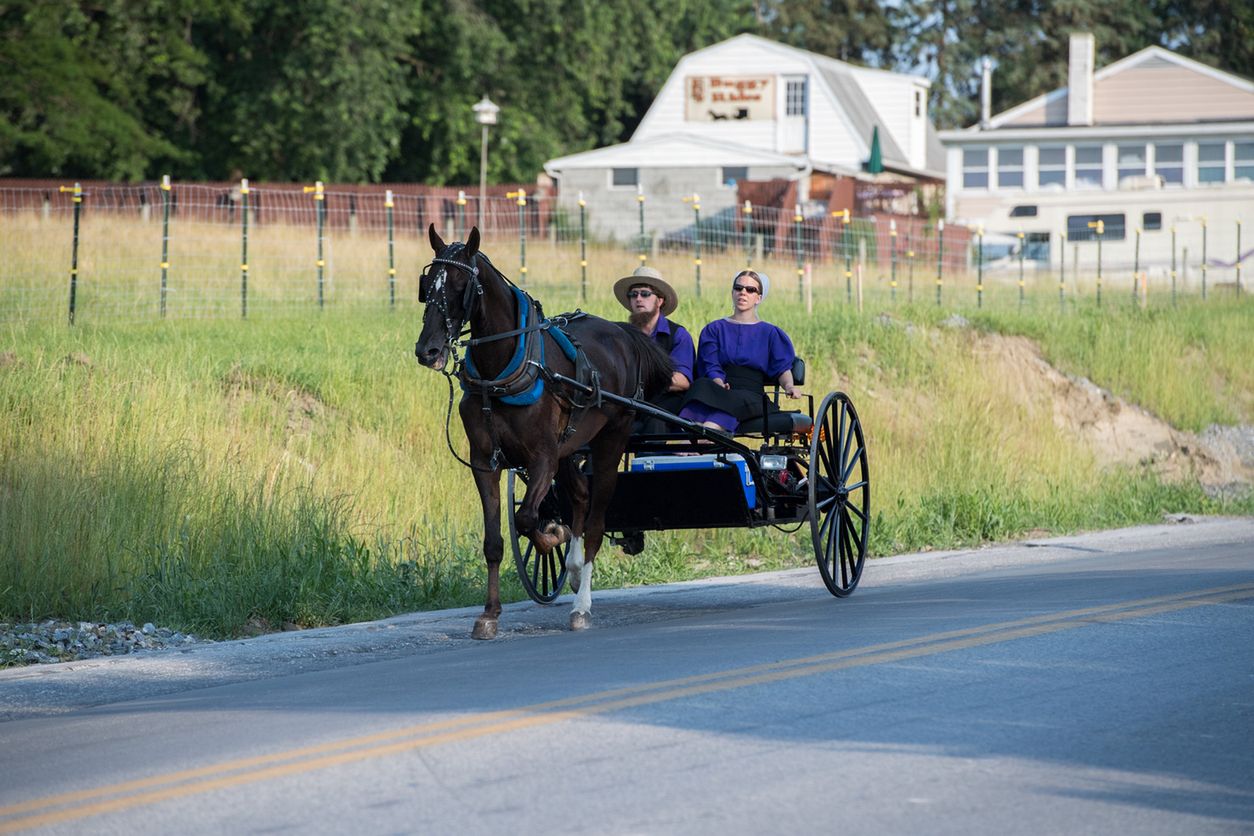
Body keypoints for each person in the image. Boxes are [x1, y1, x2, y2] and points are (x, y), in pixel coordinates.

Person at [678, 269, 798, 434]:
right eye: (738, 288)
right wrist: (719, 382)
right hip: (719, 386)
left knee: (732, 401)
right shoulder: (714, 329)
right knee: (700, 386)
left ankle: (705, 434)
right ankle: (688, 435)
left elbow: (782, 367)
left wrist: (789, 386)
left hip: (751, 392)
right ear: (733, 292)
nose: (743, 293)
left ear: (759, 298)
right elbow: (710, 363)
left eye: (750, 290)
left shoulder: (771, 333)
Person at [613, 265, 696, 432]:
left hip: (666, 401)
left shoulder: (678, 335)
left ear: (660, 300)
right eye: (633, 294)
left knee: (655, 421)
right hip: (629, 401)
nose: (638, 299)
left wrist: (637, 380)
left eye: (645, 294)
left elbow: (682, 381)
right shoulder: (621, 335)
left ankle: (649, 459)